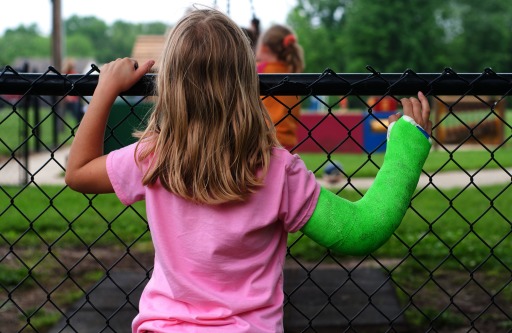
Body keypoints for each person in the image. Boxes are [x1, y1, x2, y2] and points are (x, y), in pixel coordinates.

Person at [65, 8, 432, 333]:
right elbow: (360, 230)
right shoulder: (276, 170)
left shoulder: (153, 157)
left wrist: (104, 91)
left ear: (169, 85)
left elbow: (78, 171)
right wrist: (407, 145)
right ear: (248, 82)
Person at [256, 24, 305, 150]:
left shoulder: (260, 70)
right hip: (288, 144)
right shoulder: (292, 72)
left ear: (264, 48)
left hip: (264, 140)